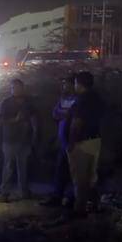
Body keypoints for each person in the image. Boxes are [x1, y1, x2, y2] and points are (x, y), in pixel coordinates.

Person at [67, 71, 105, 217]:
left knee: (80, 178)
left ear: (80, 84)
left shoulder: (81, 100)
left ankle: (80, 208)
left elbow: (77, 123)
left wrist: (71, 142)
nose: (74, 85)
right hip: (95, 140)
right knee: (92, 176)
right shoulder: (97, 98)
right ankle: (94, 205)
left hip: (81, 142)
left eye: (76, 83)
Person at [0, 78, 38, 201]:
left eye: (18, 87)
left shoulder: (28, 103)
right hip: (10, 140)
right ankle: (4, 192)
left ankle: (23, 191)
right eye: (13, 88)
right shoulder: (6, 102)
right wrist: (14, 120)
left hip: (24, 140)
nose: (16, 90)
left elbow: (34, 119)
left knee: (23, 167)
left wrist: (35, 133)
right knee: (9, 167)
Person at [40, 75, 77, 207]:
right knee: (60, 169)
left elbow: (71, 115)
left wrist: (64, 114)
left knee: (75, 171)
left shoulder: (78, 100)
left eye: (66, 84)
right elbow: (55, 113)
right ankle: (57, 196)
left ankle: (73, 198)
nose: (64, 87)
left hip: (75, 141)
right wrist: (66, 114)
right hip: (63, 141)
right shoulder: (63, 99)